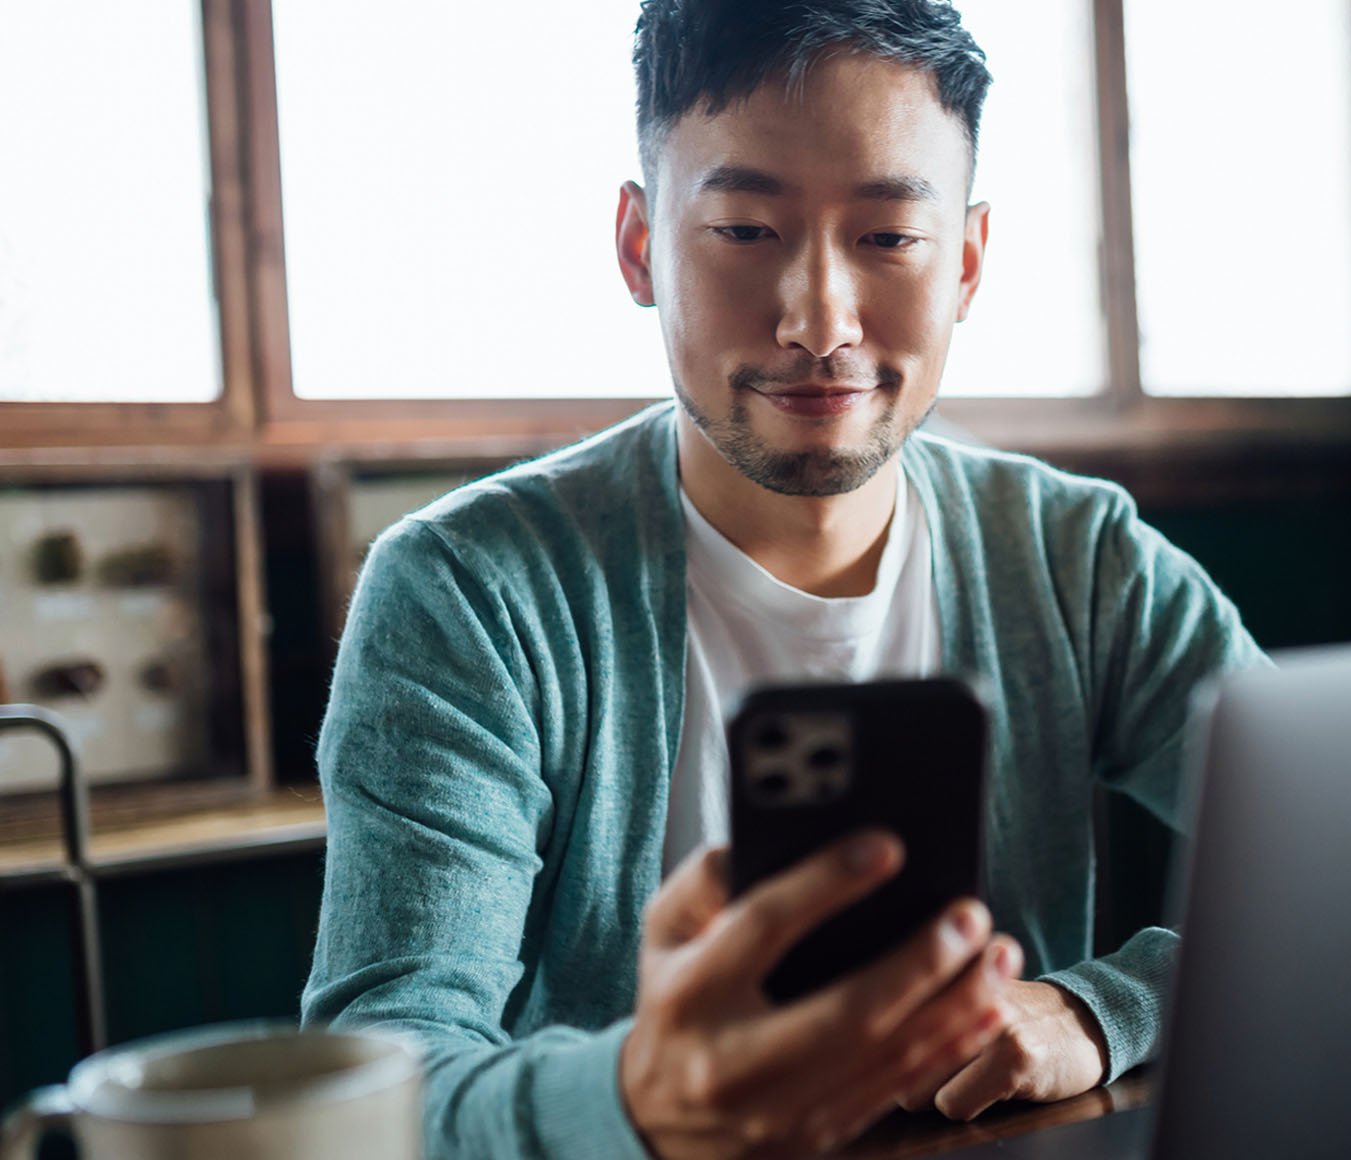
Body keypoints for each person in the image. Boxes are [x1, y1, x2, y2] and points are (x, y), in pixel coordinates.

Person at [302, 2, 1266, 1157]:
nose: (819, 320)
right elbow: (381, 1071)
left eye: (889, 237)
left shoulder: (1081, 560)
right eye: (747, 229)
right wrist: (637, 1096)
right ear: (640, 245)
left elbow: (1349, 875)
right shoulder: (468, 591)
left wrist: (1096, 1008)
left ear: (963, 260)